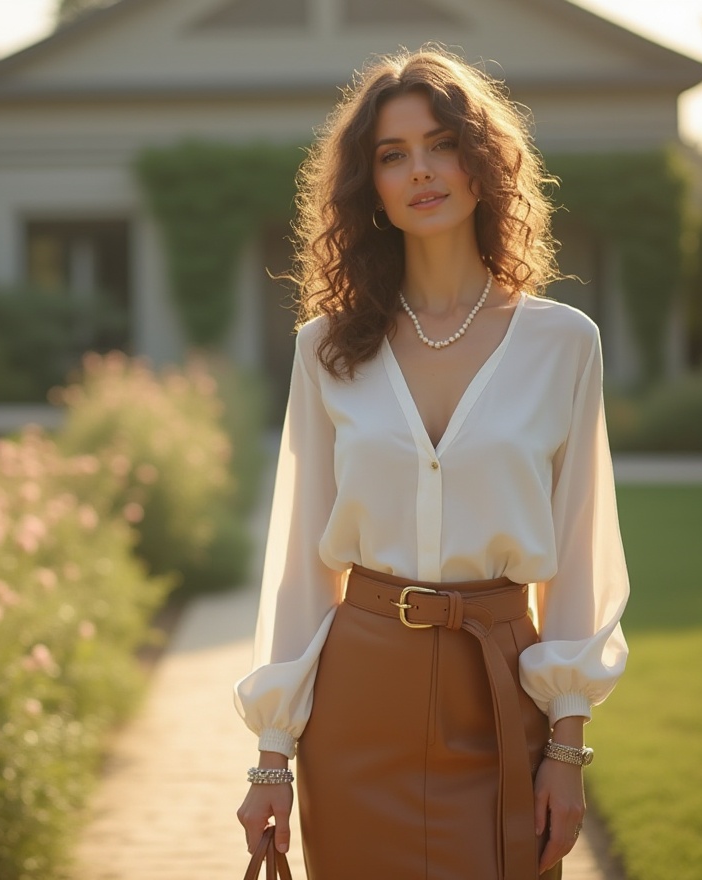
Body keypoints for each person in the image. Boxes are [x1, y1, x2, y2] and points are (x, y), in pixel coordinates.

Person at [233, 46, 629, 880]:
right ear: (368, 187)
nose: (421, 170)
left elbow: (582, 553)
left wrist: (567, 745)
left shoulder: (565, 344)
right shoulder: (326, 349)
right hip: (359, 700)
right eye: (392, 155)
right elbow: (300, 563)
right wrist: (273, 757)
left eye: (441, 143)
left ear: (482, 161)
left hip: (499, 692)